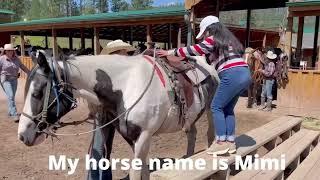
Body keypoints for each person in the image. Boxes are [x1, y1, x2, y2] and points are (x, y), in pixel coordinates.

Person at [157, 16, 252, 155]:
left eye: (204, 33)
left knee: (216, 106)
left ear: (210, 29)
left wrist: (170, 52)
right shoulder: (230, 40)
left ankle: (220, 142)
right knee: (228, 109)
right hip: (244, 73)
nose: (204, 36)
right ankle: (230, 141)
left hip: (231, 74)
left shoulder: (212, 39)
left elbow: (195, 49)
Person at [87, 40, 135, 180]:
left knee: (105, 148)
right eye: (124, 52)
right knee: (99, 148)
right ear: (117, 53)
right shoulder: (105, 72)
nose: (126, 54)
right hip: (104, 113)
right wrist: (93, 109)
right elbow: (94, 92)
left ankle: (104, 177)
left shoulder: (120, 70)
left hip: (115, 114)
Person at [0, 44, 30, 122]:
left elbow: (22, 66)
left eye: (11, 50)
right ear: (5, 51)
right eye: (8, 50)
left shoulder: (16, 59)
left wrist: (30, 73)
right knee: (11, 95)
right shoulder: (1, 59)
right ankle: (14, 114)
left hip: (14, 79)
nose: (10, 52)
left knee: (11, 97)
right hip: (5, 79)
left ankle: (10, 111)